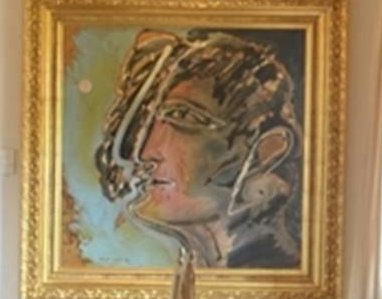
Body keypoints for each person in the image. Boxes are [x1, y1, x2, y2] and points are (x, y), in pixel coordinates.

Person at [90, 27, 302, 270]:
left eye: (184, 117)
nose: (144, 153)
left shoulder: (280, 274)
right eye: (146, 123)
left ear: (267, 150)